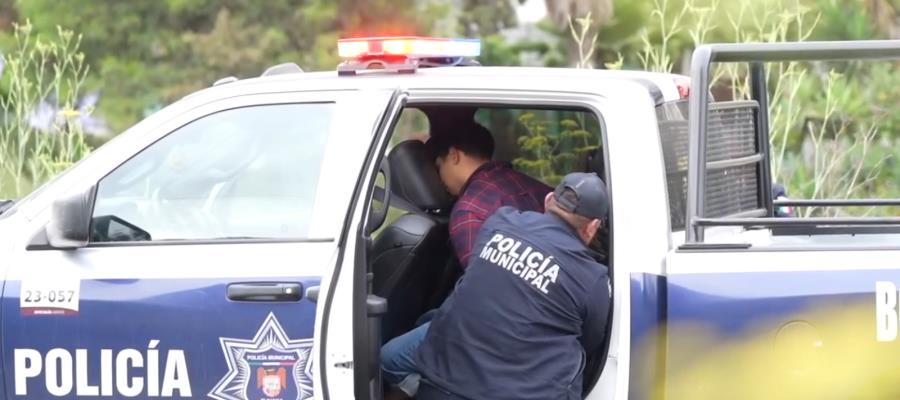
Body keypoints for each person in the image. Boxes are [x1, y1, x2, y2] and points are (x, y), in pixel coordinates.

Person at [381, 121, 551, 399]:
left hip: (505, 328)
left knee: (388, 359)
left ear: (454, 155)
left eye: (437, 166)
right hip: (544, 314)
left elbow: (482, 298)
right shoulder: (536, 188)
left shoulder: (470, 210)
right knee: (430, 317)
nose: (438, 177)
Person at [415, 172, 612, 400]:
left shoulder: (500, 221)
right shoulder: (592, 277)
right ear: (592, 227)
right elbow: (591, 340)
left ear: (548, 201)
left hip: (441, 382)